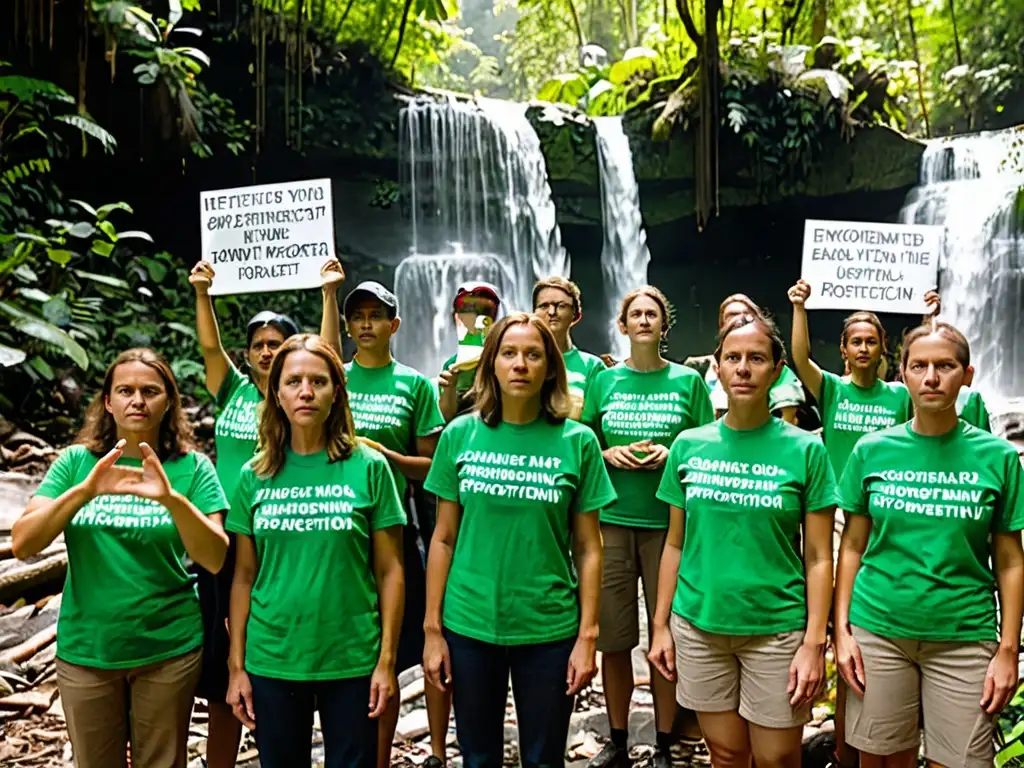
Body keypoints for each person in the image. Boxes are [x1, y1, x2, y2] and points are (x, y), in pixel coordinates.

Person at [12, 348, 230, 768]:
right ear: (107, 402)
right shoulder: (77, 462)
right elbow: (24, 543)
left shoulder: (193, 467)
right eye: (125, 390)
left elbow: (216, 556)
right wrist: (85, 492)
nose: (138, 400)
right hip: (87, 648)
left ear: (168, 402)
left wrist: (171, 500)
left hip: (169, 646)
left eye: (151, 391)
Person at [422, 313, 615, 768]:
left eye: (533, 354)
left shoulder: (579, 442)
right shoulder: (459, 435)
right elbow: (444, 538)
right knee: (477, 756)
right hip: (469, 623)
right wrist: (433, 630)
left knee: (545, 759)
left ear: (550, 367)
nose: (520, 364)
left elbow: (589, 547)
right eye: (509, 354)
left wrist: (588, 635)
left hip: (548, 626)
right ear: (491, 364)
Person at [648, 312, 837, 768]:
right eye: (733, 358)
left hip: (775, 628)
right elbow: (675, 543)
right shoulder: (689, 446)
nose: (744, 368)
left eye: (756, 358)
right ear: (718, 367)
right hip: (700, 626)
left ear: (776, 369)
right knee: (728, 753)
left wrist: (814, 642)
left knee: (777, 756)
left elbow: (817, 555)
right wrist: (659, 626)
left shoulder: (806, 450)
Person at [834, 321, 1024, 768]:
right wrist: (841, 632)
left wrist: (1008, 649)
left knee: (962, 762)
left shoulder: (997, 457)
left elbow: (1011, 560)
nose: (932, 378)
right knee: (881, 761)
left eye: (945, 366)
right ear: (903, 374)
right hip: (879, 629)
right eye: (919, 366)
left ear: (968, 375)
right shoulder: (871, 449)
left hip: (964, 634)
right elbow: (853, 546)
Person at [224, 334, 406, 768]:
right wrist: (236, 668)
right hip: (273, 658)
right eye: (293, 382)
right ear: (277, 394)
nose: (305, 392)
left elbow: (390, 571)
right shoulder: (254, 475)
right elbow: (244, 576)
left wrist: (387, 662)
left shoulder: (369, 467)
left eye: (318, 382)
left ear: (337, 393)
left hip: (351, 657)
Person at [188, 259, 341, 767]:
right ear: (248, 354)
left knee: (272, 641)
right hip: (226, 539)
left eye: (277, 343)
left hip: (280, 529)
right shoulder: (231, 391)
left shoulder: (297, 396)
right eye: (258, 344)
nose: (267, 350)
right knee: (221, 657)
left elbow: (327, 359)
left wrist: (326, 294)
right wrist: (203, 292)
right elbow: (209, 347)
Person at [581, 286, 714, 768]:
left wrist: (672, 450)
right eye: (634, 314)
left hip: (667, 526)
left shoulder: (688, 382)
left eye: (651, 314)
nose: (642, 321)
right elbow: (583, 439)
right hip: (612, 521)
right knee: (614, 639)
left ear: (663, 325)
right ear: (622, 324)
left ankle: (663, 740)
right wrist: (606, 452)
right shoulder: (604, 381)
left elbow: (708, 441)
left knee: (666, 637)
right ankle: (616, 740)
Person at [321, 280, 451, 768]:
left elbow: (434, 467)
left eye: (377, 315)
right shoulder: (336, 380)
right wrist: (328, 296)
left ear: (394, 324)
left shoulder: (413, 385)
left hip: (397, 529)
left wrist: (387, 456)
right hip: (339, 530)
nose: (367, 324)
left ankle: (385, 757)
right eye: (358, 316)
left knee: (392, 652)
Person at [687, 293, 806, 424]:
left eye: (746, 314)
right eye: (732, 315)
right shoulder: (699, 369)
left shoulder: (775, 368)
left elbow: (789, 414)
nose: (740, 319)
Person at [532, 275, 607, 419]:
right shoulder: (522, 360)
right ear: (533, 314)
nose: (552, 312)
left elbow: (598, 420)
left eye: (561, 306)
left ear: (576, 316)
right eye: (544, 306)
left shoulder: (593, 367)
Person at [438, 282, 502, 422]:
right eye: (467, 310)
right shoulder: (451, 365)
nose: (476, 319)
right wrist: (450, 388)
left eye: (485, 312)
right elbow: (445, 416)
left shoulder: (502, 359)